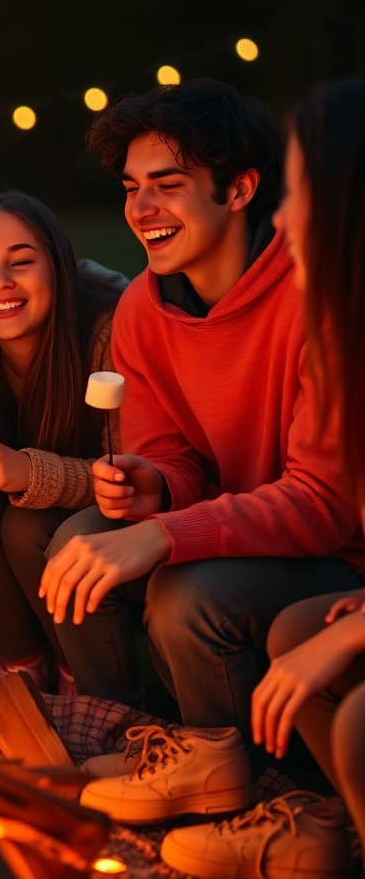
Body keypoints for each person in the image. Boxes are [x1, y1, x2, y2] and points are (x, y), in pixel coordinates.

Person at [35, 78, 363, 791]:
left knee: (190, 593)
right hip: (225, 519)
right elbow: (174, 458)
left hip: (331, 551)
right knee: (76, 541)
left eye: (167, 185)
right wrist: (153, 485)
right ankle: (131, 739)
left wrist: (166, 534)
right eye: (131, 188)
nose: (141, 209)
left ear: (241, 189)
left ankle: (248, 786)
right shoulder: (142, 313)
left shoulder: (318, 294)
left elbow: (322, 502)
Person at [0, 192, 124, 693]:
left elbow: (131, 470)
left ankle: (78, 675)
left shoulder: (105, 338)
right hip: (25, 517)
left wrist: (28, 472)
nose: (1, 281)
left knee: (26, 524)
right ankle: (22, 667)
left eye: (21, 262)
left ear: (57, 269)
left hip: (106, 519)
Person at [244, 80, 365, 853]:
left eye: (297, 191)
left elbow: (315, 496)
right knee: (296, 632)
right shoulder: (343, 338)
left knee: (359, 718)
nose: (282, 217)